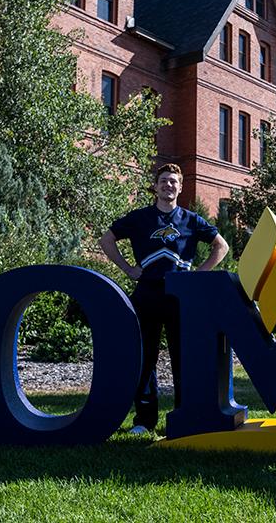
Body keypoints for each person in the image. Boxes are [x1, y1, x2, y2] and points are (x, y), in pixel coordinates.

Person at [99, 164, 229, 435]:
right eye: (163, 181)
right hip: (147, 294)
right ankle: (144, 421)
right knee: (145, 358)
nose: (168, 185)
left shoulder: (192, 220)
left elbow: (222, 246)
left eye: (173, 182)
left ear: (180, 187)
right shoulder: (140, 218)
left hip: (182, 298)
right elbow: (107, 240)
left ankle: (184, 415)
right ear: (155, 187)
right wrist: (128, 269)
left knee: (184, 357)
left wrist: (200, 275)